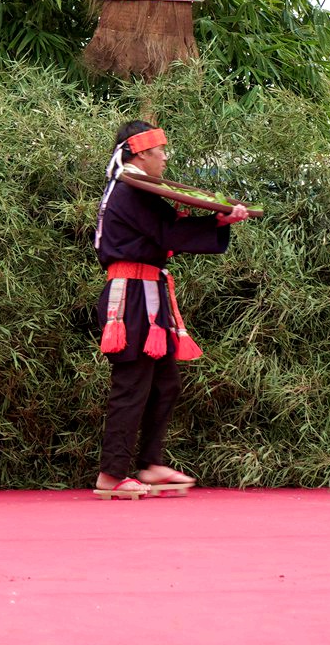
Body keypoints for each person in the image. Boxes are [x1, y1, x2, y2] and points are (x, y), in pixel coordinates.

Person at [92, 121, 248, 500]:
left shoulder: (137, 192)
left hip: (148, 292)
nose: (164, 157)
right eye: (159, 151)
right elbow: (169, 234)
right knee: (132, 385)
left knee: (165, 383)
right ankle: (112, 475)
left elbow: (167, 228)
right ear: (141, 153)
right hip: (130, 297)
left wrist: (217, 220)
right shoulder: (130, 192)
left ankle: (149, 463)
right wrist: (218, 220)